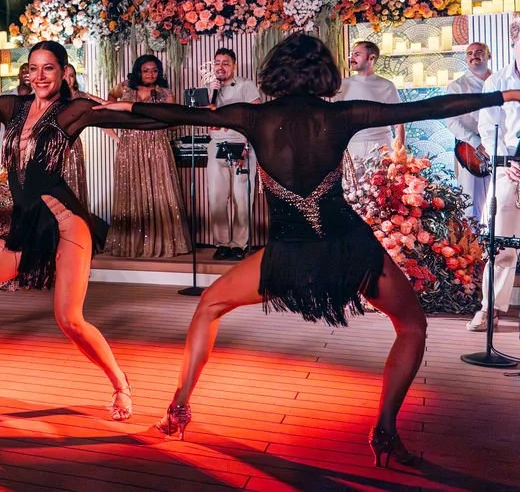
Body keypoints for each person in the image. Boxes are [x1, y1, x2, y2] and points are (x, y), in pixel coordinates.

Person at [95, 33, 513, 465]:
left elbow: (176, 114)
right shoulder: (344, 114)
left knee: (209, 306)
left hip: (288, 253)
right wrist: (505, 94)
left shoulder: (249, 116)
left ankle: (178, 410)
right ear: (324, 73)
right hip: (348, 248)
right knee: (412, 326)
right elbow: (426, 109)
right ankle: (385, 429)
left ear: (274, 70)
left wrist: (119, 107)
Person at [0, 42, 176, 420]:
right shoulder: (11, 106)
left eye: (49, 69)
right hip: (26, 224)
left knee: (69, 318)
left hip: (65, 223)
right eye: (34, 68)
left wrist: (191, 114)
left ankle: (120, 383)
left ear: (63, 72)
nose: (39, 76)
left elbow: (138, 118)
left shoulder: (73, 111)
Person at [103, 54, 191, 258]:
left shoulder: (165, 93)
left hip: (156, 146)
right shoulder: (125, 88)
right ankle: (131, 244)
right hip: (129, 147)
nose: (151, 74)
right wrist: (117, 131)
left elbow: (172, 118)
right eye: (146, 70)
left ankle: (162, 243)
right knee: (132, 191)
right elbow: (110, 97)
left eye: (154, 70)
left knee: (159, 192)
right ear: (138, 72)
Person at [471, 26, 520, 332]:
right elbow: (488, 128)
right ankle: (490, 309)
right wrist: (506, 162)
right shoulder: (498, 81)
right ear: (513, 43)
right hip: (508, 168)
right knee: (500, 242)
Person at [205, 48, 261, 260]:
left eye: (225, 63)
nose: (220, 66)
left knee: (242, 197)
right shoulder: (209, 88)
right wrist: (211, 94)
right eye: (217, 62)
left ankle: (239, 244)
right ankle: (221, 244)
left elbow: (255, 117)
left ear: (234, 66)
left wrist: (246, 145)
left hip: (242, 144)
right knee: (217, 197)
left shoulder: (246, 86)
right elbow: (203, 116)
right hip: (216, 145)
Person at [335, 41, 404, 180]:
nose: (351, 58)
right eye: (352, 54)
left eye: (357, 54)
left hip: (381, 145)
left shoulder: (387, 86)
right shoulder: (343, 85)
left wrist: (400, 154)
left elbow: (399, 122)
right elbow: (335, 121)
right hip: (353, 145)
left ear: (371, 58)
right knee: (353, 191)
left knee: (383, 189)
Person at [445, 42, 492, 222]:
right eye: (469, 53)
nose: (474, 56)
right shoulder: (457, 86)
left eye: (479, 52)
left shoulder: (500, 81)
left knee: (505, 201)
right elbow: (452, 121)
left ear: (489, 56)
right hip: (471, 151)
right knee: (470, 206)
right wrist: (477, 143)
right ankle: (472, 247)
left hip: (501, 150)